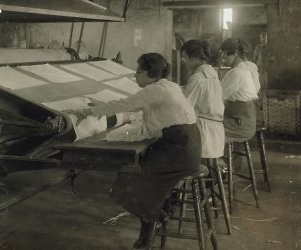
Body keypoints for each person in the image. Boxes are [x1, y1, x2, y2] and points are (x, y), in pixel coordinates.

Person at [67, 53, 201, 249]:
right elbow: (139, 112)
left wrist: (86, 112)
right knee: (138, 170)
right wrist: (103, 109)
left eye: (139, 71)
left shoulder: (155, 90)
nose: (135, 76)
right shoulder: (168, 86)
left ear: (151, 73)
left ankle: (151, 224)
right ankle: (159, 213)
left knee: (134, 174)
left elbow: (125, 105)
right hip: (188, 145)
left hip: (178, 149)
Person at [181, 39, 225, 159]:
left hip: (203, 135)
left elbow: (184, 109)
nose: (183, 61)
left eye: (184, 57)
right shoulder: (212, 73)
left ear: (194, 57)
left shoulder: (198, 78)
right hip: (215, 133)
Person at [220, 38, 260, 143]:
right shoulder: (247, 68)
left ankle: (217, 159)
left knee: (205, 129)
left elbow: (218, 97)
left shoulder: (237, 72)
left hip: (239, 124)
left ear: (236, 53)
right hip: (246, 121)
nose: (223, 58)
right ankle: (218, 158)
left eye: (226, 54)